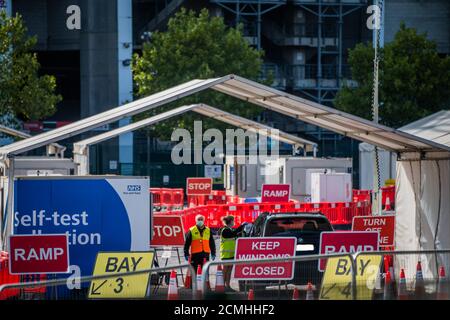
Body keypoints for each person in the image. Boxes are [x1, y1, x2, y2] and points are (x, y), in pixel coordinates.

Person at [219, 215, 247, 292]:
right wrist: (241, 226)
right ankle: (222, 286)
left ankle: (228, 286)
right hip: (225, 254)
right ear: (230, 221)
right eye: (233, 221)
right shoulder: (225, 230)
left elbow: (235, 235)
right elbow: (234, 234)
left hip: (231, 254)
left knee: (230, 270)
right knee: (225, 270)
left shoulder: (230, 229)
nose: (233, 222)